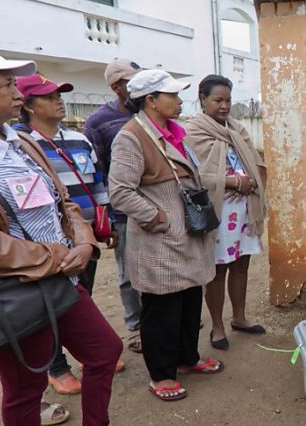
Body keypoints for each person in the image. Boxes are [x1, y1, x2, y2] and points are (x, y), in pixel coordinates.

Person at [0, 39, 121, 425]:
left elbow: (64, 202)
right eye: (5, 83)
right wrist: (59, 257)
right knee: (26, 389)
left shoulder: (20, 141)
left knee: (104, 351)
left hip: (60, 278)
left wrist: (83, 240)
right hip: (13, 290)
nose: (15, 90)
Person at [109, 69, 223, 400]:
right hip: (160, 238)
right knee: (162, 308)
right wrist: (157, 216)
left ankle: (187, 358)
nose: (178, 100)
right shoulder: (131, 137)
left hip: (188, 233)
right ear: (151, 100)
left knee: (189, 300)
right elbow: (120, 192)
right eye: (171, 95)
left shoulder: (177, 132)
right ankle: (160, 374)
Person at [12, 73, 125, 394]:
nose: (58, 101)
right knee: (48, 305)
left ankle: (87, 352)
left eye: (59, 95)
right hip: (46, 245)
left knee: (79, 297)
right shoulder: (18, 144)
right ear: (29, 105)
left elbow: (98, 183)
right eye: (49, 97)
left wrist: (108, 221)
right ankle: (55, 366)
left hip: (85, 239)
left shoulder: (79, 139)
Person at [183, 75, 267, 351]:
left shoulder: (237, 129)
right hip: (217, 212)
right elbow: (192, 175)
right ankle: (217, 327)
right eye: (218, 100)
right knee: (217, 270)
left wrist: (251, 181)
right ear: (203, 100)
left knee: (242, 264)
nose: (224, 105)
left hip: (243, 209)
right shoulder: (193, 132)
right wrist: (231, 182)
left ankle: (239, 317)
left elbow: (254, 161)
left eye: (228, 100)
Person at [83, 59, 143, 354]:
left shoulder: (148, 112)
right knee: (129, 273)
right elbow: (96, 173)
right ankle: (135, 328)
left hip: (155, 209)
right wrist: (106, 219)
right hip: (122, 212)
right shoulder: (98, 122)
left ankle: (158, 320)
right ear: (116, 86)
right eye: (133, 81)